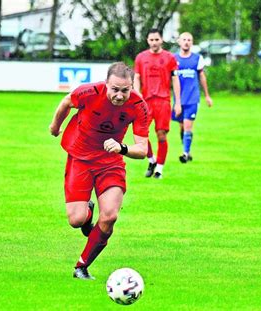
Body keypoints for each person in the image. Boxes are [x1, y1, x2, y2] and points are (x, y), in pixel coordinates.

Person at [49, 62, 149, 280]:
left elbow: (143, 149)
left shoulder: (138, 105)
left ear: (132, 86)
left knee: (110, 216)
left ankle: (82, 266)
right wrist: (55, 127)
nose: (120, 95)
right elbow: (66, 102)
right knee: (76, 220)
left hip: (110, 163)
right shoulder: (88, 92)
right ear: (106, 84)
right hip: (80, 158)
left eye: (125, 90)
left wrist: (122, 148)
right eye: (115, 89)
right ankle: (87, 213)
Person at [134, 29, 181, 179]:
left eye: (156, 39)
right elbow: (136, 77)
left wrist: (177, 102)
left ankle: (159, 169)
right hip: (146, 102)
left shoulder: (169, 57)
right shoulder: (141, 57)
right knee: (140, 134)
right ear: (148, 41)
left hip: (163, 101)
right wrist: (136, 95)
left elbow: (175, 79)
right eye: (151, 40)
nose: (154, 42)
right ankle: (151, 160)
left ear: (161, 40)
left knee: (161, 135)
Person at [172, 32, 213, 163]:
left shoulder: (197, 58)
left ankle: (185, 153)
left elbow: (202, 76)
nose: (186, 42)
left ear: (192, 42)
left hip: (192, 99)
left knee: (188, 126)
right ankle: (186, 150)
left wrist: (207, 95)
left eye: (189, 40)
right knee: (182, 127)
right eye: (184, 39)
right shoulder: (173, 59)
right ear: (179, 42)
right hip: (178, 100)